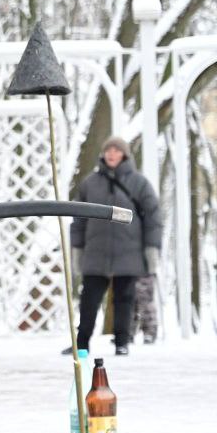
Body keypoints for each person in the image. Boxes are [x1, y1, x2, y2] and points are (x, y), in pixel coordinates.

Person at [66, 136, 162, 357]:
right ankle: (81, 344)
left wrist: (151, 249)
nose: (112, 154)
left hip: (128, 252)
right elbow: (78, 219)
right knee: (89, 300)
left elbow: (153, 219)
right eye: (108, 150)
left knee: (125, 299)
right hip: (95, 252)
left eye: (116, 150)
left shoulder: (139, 183)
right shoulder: (90, 183)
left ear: (124, 155)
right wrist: (77, 249)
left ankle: (122, 341)